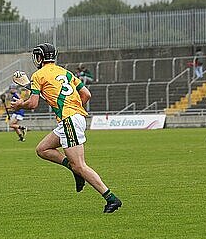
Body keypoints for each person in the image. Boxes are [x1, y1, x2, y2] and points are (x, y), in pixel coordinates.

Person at [10, 42, 123, 213]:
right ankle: (73, 169)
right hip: (73, 118)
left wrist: (19, 105)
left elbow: (32, 104)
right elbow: (86, 94)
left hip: (69, 119)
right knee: (42, 149)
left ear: (40, 57)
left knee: (80, 165)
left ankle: (111, 198)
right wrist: (75, 109)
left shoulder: (38, 75)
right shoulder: (66, 72)